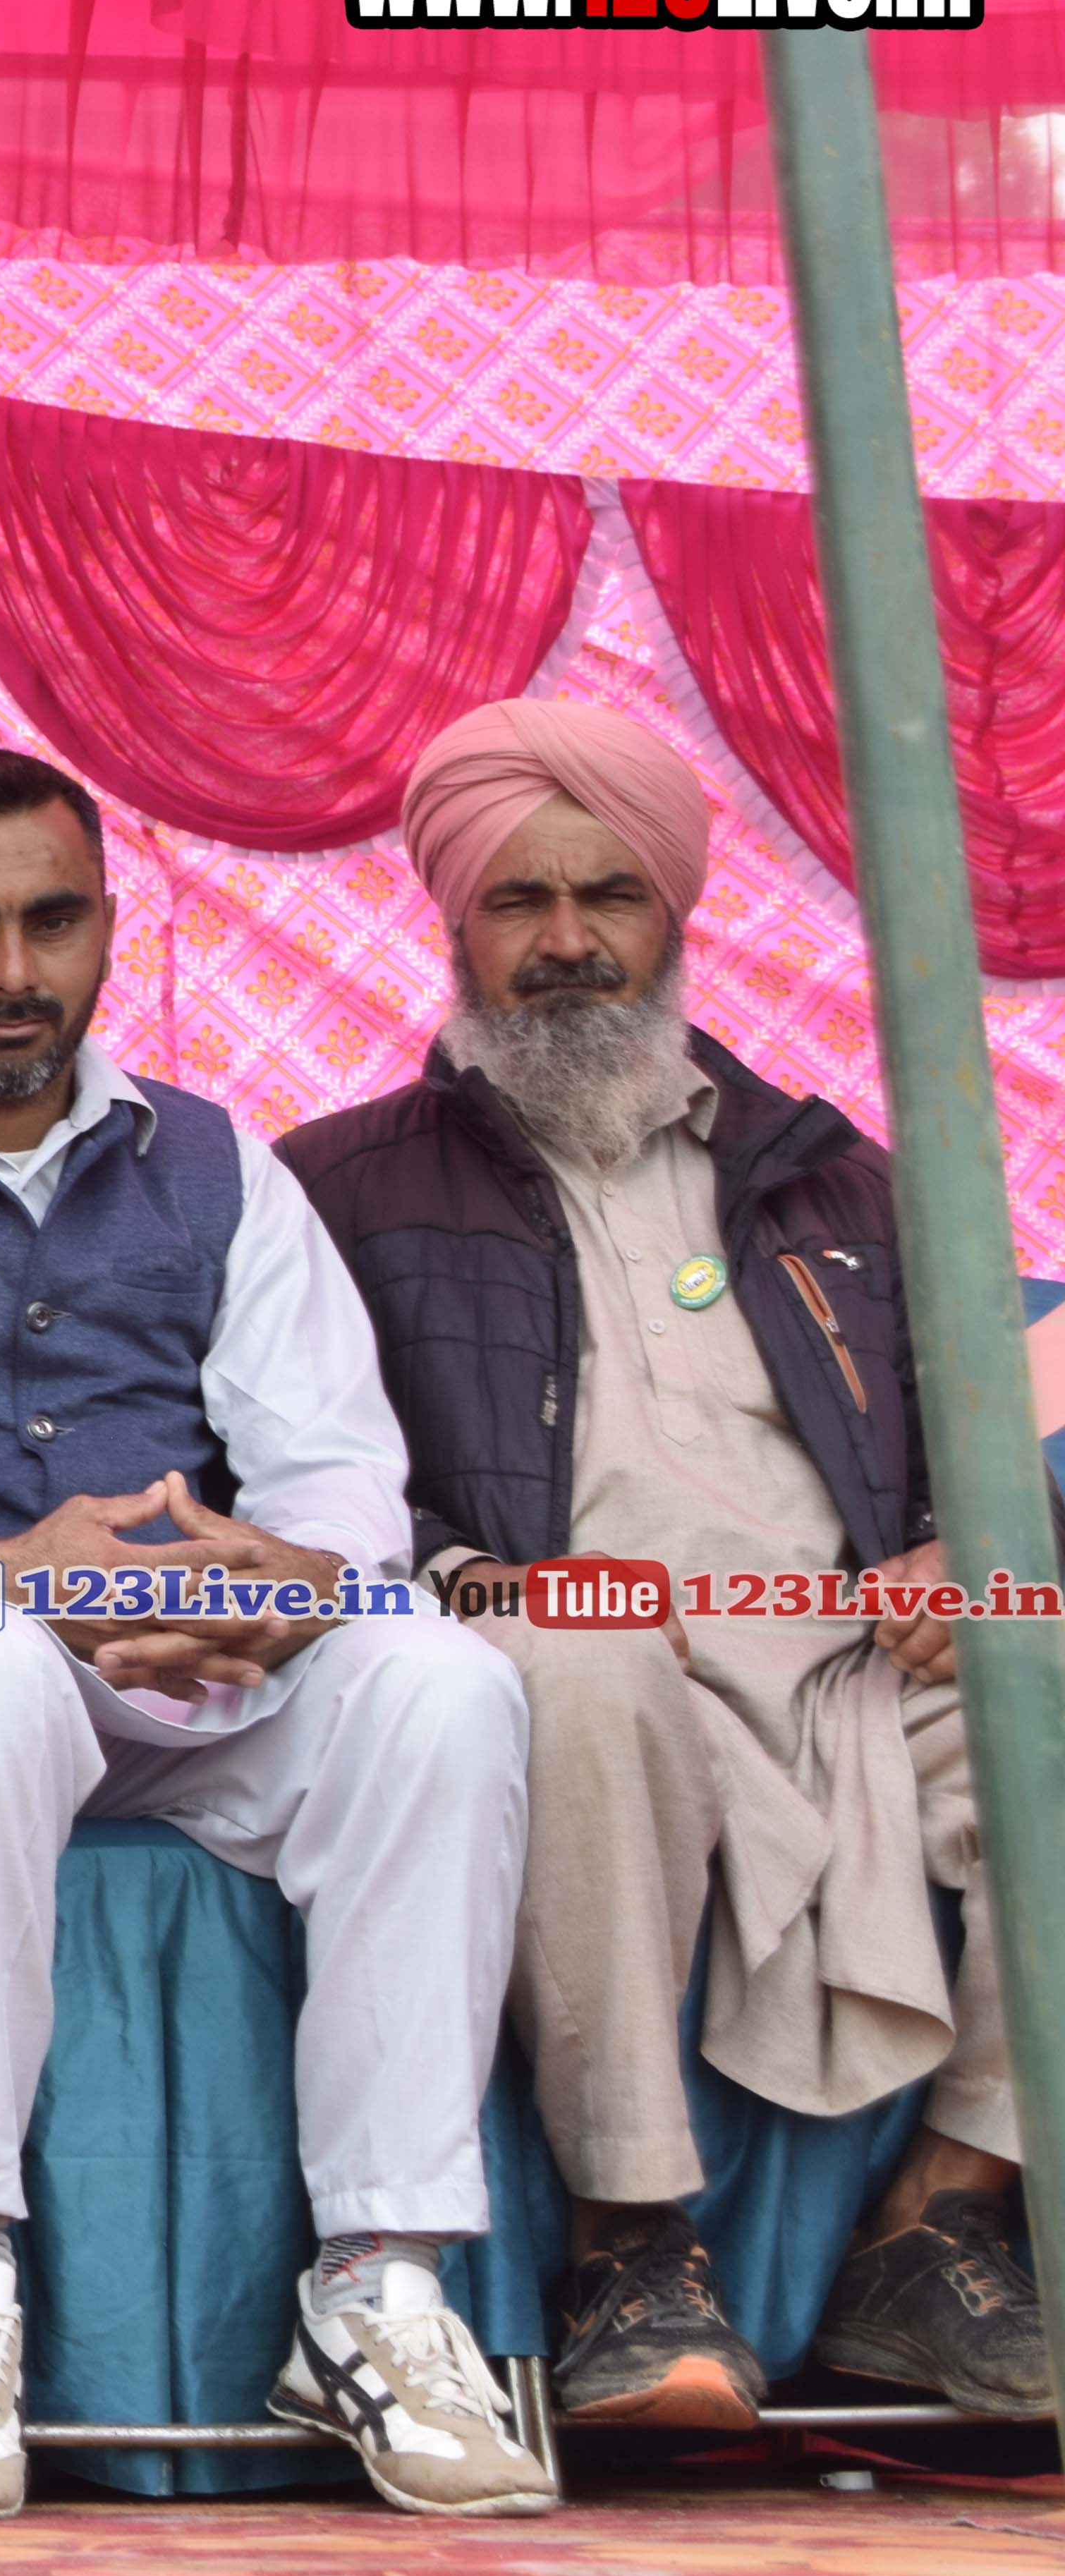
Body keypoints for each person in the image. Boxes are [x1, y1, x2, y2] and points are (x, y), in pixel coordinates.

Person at [0, 746, 545, 2521]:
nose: (12, 969)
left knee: (444, 1682)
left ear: (110, 926)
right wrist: (12, 1572)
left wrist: (267, 1578)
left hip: (209, 1674)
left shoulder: (218, 1162)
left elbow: (343, 1474)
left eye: (53, 920)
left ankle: (381, 2286)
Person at [285, 698, 1048, 2430]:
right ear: (455, 922)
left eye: (609, 894)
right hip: (583, 1664)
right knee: (586, 1666)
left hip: (856, 1679)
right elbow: (297, 1488)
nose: (569, 941)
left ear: (676, 911)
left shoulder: (837, 1179)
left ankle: (944, 2218)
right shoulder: (335, 1188)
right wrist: (472, 1577)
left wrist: (970, 1551)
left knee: (1055, 1672)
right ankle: (632, 2246)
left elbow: (984, 1456)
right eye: (521, 899)